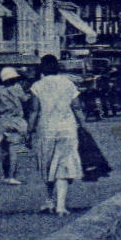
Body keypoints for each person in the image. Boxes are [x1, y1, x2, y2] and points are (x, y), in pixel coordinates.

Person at [29, 54, 86, 216]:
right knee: (64, 165)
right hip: (67, 129)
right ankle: (60, 205)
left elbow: (34, 110)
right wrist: (84, 125)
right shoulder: (68, 84)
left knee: (48, 166)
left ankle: (49, 200)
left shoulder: (37, 86)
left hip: (46, 130)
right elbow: (77, 107)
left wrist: (29, 131)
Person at [0, 66, 31, 185]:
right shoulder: (17, 88)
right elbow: (25, 100)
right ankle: (12, 176)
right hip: (16, 121)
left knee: (4, 151)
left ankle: (5, 175)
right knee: (14, 150)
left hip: (2, 122)